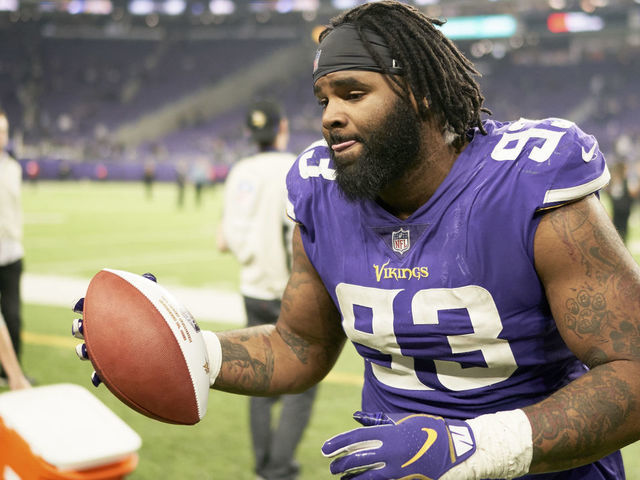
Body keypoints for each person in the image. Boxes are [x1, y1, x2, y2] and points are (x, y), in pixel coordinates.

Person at [73, 2, 640, 478]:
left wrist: (473, 448)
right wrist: (194, 351)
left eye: (353, 92)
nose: (330, 117)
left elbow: (632, 371)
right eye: (324, 99)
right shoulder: (320, 191)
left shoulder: (527, 180)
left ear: (419, 93)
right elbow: (299, 345)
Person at [217, 99, 318, 480]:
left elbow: (224, 237)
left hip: (251, 286)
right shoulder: (291, 167)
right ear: (282, 127)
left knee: (258, 378)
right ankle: (277, 468)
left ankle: (263, 463)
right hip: (286, 290)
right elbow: (295, 227)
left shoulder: (239, 170)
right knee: (301, 383)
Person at [0, 107, 30, 390]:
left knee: (12, 314)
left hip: (11, 251)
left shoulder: (13, 167)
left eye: (4, 132)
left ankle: (13, 372)